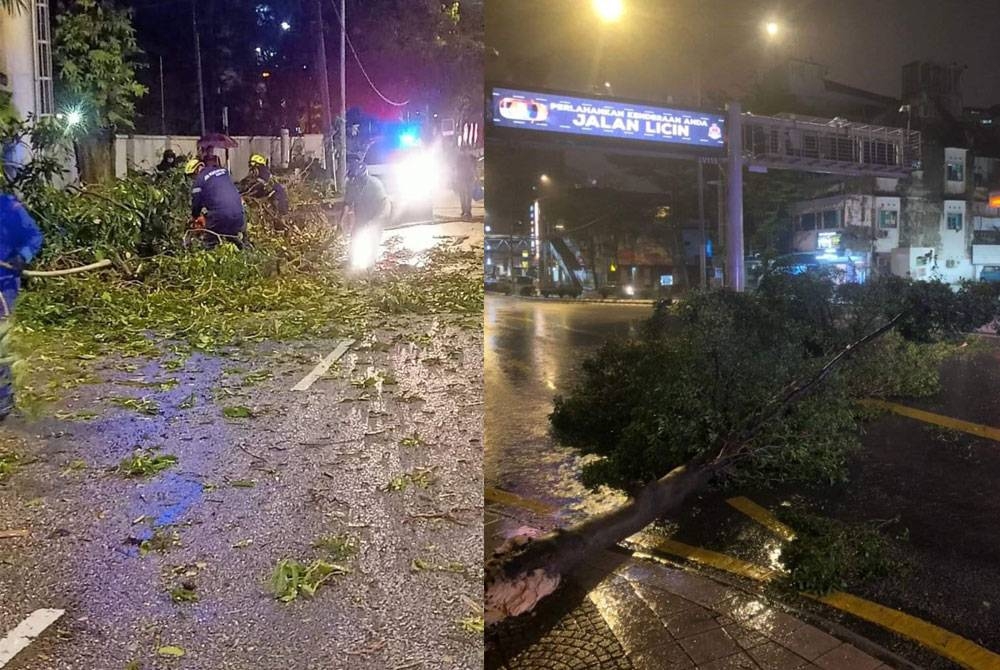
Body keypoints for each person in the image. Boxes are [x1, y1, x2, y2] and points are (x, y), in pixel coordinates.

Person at [0, 194, 43, 420]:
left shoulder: (8, 207)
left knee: (0, 347)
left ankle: (2, 403)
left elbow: (34, 236)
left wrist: (21, 258)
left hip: (3, 286)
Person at [341, 152, 390, 270]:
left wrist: (373, 223)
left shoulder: (374, 185)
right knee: (356, 234)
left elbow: (382, 206)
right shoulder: (351, 184)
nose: (354, 182)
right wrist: (342, 220)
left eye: (356, 180)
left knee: (373, 234)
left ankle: (370, 263)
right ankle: (352, 260)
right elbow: (348, 203)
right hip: (362, 211)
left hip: (379, 210)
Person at [184, 158, 246, 248]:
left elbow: (196, 204)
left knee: (210, 243)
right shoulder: (223, 171)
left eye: (192, 176)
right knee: (234, 239)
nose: (193, 179)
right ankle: (245, 250)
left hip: (220, 216)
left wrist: (195, 216)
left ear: (196, 171)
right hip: (239, 213)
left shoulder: (199, 181)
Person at [239, 154, 289, 218]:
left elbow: (253, 188)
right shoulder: (264, 175)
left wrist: (241, 192)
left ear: (258, 167)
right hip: (277, 203)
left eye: (252, 168)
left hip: (278, 205)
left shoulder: (263, 177)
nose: (251, 171)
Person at [453, 149, 477, 220]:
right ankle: (464, 210)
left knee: (468, 195)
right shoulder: (460, 158)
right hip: (462, 179)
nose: (466, 151)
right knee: (463, 195)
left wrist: (476, 178)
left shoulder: (472, 158)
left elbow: (475, 168)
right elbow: (457, 169)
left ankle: (467, 211)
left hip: (469, 178)